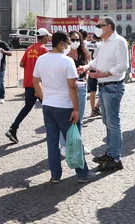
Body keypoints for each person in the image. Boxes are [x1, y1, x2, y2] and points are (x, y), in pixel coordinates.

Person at [33, 31, 90, 183]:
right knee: (73, 140)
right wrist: (76, 109)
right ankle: (83, 174)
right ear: (61, 43)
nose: (69, 46)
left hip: (48, 106)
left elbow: (35, 81)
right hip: (64, 106)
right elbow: (72, 87)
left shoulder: (41, 59)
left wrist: (44, 98)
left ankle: (55, 175)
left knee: (52, 143)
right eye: (67, 43)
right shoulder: (67, 61)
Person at [78, 16, 129, 172]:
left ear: (108, 27)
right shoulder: (104, 43)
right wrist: (86, 67)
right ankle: (110, 152)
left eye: (99, 25)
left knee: (113, 122)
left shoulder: (119, 41)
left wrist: (104, 74)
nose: (97, 28)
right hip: (104, 86)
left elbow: (123, 66)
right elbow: (97, 61)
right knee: (107, 121)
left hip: (113, 86)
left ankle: (116, 157)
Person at [5, 28, 51, 143]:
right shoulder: (44, 50)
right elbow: (45, 68)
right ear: (44, 37)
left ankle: (13, 127)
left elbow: (21, 64)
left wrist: (30, 64)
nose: (49, 38)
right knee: (48, 107)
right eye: (47, 36)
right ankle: (51, 131)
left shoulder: (29, 49)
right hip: (39, 84)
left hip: (29, 83)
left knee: (27, 107)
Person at [66, 30, 91, 130]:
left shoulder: (84, 54)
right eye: (73, 39)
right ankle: (66, 143)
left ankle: (78, 143)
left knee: (80, 117)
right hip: (69, 88)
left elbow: (88, 67)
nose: (75, 41)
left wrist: (86, 78)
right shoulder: (65, 55)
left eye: (77, 39)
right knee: (69, 117)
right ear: (68, 40)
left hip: (82, 87)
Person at [86, 35, 102, 117]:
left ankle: (93, 110)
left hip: (90, 67)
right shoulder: (100, 45)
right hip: (99, 68)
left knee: (92, 91)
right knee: (103, 90)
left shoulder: (87, 44)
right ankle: (96, 107)